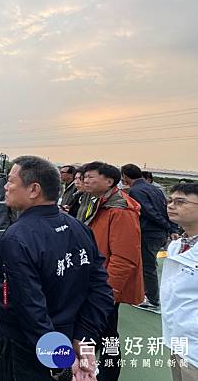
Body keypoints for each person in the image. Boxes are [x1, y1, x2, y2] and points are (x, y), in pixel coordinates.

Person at [0, 156, 113, 381]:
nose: (5, 186)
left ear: (33, 189)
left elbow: (29, 308)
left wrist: (61, 358)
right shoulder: (79, 228)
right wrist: (83, 339)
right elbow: (101, 289)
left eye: (11, 181)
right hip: (69, 334)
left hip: (26, 346)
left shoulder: (17, 237)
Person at [82, 161, 144, 381]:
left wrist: (107, 293)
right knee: (101, 332)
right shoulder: (98, 201)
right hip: (96, 281)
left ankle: (107, 374)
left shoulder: (120, 210)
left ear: (109, 181)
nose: (85, 180)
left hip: (105, 286)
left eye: (91, 176)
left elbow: (124, 258)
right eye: (84, 176)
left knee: (106, 333)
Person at [121, 163, 178, 313]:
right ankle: (147, 295)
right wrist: (171, 228)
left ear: (125, 176)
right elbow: (166, 209)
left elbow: (149, 212)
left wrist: (166, 225)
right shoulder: (153, 188)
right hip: (158, 234)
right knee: (148, 265)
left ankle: (153, 300)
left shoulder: (135, 191)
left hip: (148, 232)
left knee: (147, 266)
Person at [161, 183, 198, 380]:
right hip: (177, 337)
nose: (171, 206)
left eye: (180, 202)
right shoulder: (176, 245)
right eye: (171, 200)